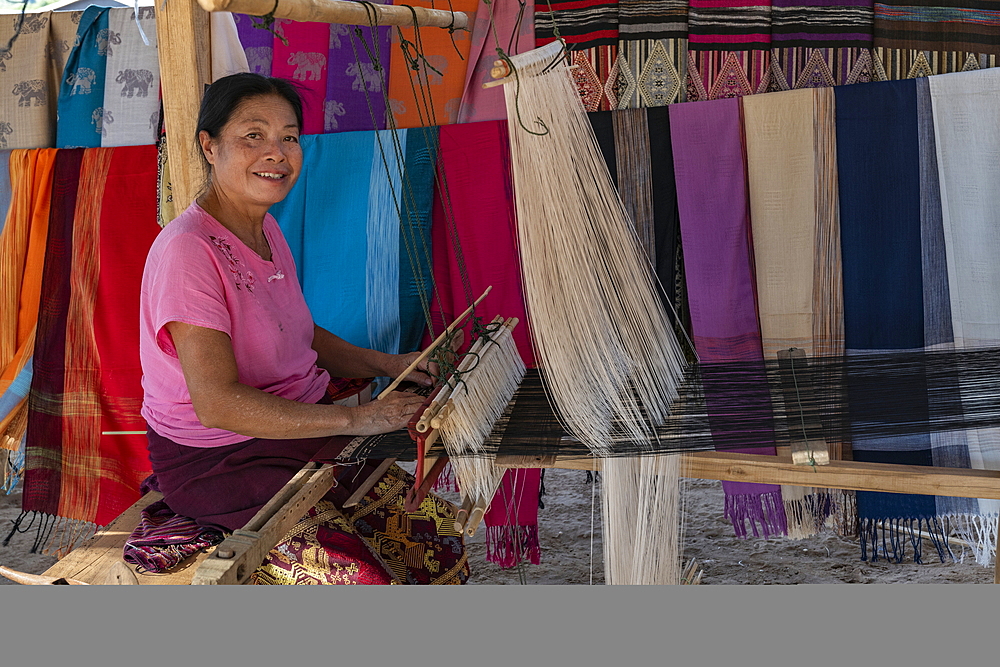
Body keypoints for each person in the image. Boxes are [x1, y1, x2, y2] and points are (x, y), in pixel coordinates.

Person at [139, 73, 468, 585]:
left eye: (288, 137)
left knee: (436, 543)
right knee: (358, 582)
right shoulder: (189, 251)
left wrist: (391, 365)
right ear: (209, 145)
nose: (276, 153)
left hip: (300, 432)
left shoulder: (264, 227)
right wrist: (361, 420)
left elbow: (297, 331)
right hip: (223, 460)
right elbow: (217, 403)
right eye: (253, 135)